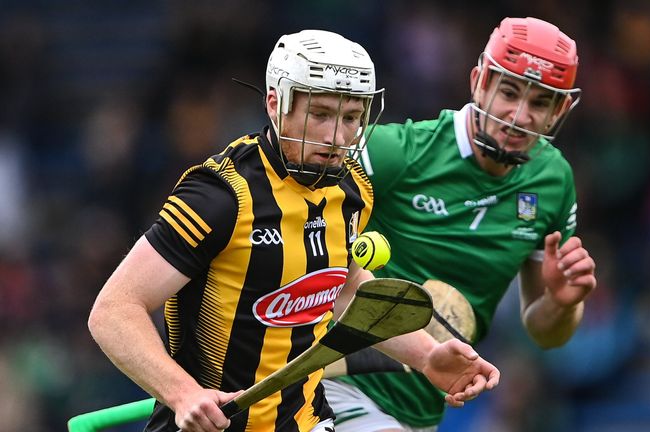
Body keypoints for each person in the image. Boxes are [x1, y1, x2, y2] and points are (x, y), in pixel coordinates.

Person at [88, 29, 500, 432]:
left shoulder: (353, 189)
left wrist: (427, 355)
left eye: (351, 118)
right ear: (276, 103)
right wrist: (182, 394)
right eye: (320, 114)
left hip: (307, 420)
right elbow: (114, 310)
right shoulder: (220, 195)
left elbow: (344, 286)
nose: (337, 137)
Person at [322, 16, 597, 431]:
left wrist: (562, 303)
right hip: (336, 384)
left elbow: (545, 333)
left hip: (423, 408)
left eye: (540, 103)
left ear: (558, 111)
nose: (520, 115)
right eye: (508, 92)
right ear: (478, 82)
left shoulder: (553, 182)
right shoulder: (397, 152)